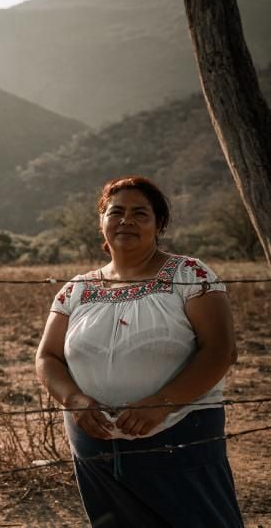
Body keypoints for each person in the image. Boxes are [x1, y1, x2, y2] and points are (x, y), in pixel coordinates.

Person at [35, 176, 243, 527]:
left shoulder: (189, 275)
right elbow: (47, 357)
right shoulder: (77, 289)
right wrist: (75, 400)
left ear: (159, 224)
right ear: (102, 222)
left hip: (180, 439)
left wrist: (163, 402)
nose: (126, 221)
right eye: (116, 212)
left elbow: (221, 350)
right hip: (96, 445)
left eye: (140, 213)